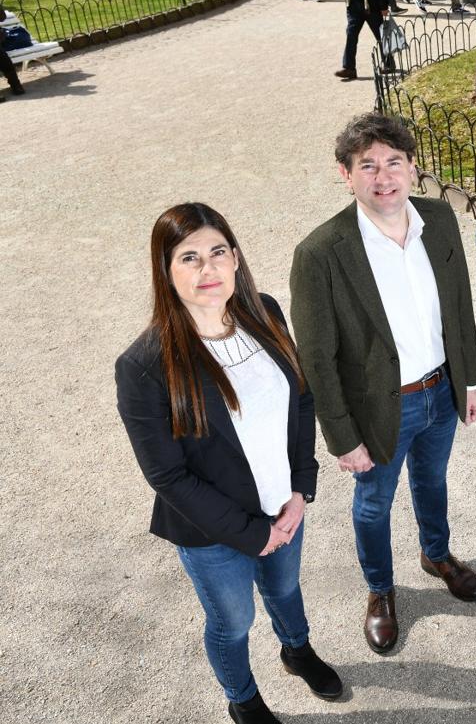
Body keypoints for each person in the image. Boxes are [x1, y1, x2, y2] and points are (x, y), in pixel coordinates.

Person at [115, 203, 342, 724]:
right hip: (211, 530)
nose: (207, 268)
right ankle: (242, 698)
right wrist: (248, 533)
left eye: (217, 252)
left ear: (236, 258)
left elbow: (300, 397)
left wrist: (299, 488)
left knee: (285, 588)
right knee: (233, 620)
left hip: (283, 503)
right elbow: (166, 475)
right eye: (188, 258)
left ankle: (296, 650)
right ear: (167, 274)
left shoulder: (263, 311)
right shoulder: (144, 365)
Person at [290, 113, 476, 656]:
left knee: (433, 482)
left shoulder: (439, 220)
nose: (383, 177)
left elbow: (458, 310)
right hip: (381, 410)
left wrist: (468, 381)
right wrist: (342, 437)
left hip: (440, 393)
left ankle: (437, 554)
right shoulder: (321, 253)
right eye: (368, 166)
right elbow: (317, 358)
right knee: (374, 505)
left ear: (412, 168)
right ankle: (380, 590)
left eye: (394, 163)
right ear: (345, 174)